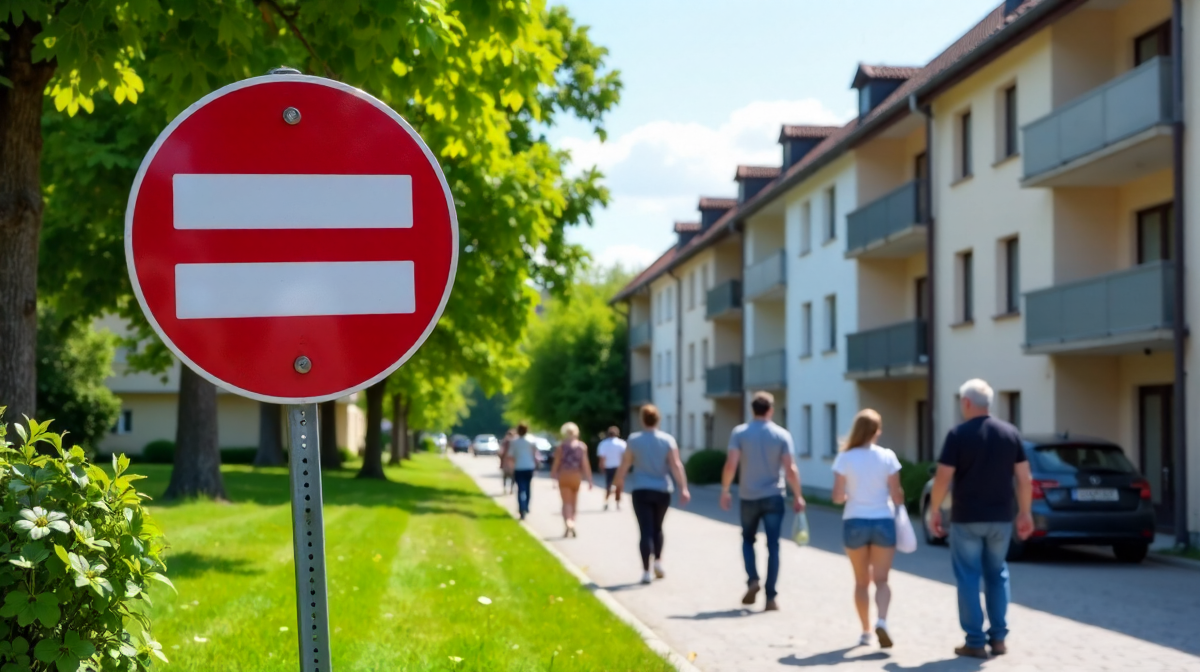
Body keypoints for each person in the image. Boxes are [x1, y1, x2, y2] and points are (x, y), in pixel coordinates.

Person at [929, 379, 1033, 659]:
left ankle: (975, 641)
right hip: (1001, 519)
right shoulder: (1010, 433)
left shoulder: (958, 435)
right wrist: (1025, 512)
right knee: (997, 574)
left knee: (968, 577)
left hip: (966, 520)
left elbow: (942, 478)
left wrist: (935, 509)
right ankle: (998, 639)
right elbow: (1024, 479)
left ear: (966, 403)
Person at [720, 391, 804, 612]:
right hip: (774, 497)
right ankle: (771, 597)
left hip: (748, 497)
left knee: (748, 540)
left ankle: (752, 580)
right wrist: (798, 495)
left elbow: (731, 464)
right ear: (771, 410)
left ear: (752, 409)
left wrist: (726, 490)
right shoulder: (782, 435)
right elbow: (790, 468)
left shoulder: (740, 433)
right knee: (773, 546)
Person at [831, 409, 905, 648]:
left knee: (861, 582)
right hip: (883, 520)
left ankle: (865, 632)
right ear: (877, 431)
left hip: (854, 521)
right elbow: (897, 494)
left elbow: (836, 496)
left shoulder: (845, 458)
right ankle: (882, 621)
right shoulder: (887, 457)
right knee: (882, 580)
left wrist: (851, 495)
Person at [615, 404, 690, 584]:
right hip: (662, 490)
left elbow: (625, 464)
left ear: (642, 419)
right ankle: (658, 561)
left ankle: (646, 571)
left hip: (641, 489)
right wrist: (684, 488)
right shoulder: (667, 440)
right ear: (658, 419)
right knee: (658, 527)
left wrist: (617, 483)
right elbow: (676, 465)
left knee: (645, 530)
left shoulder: (634, 440)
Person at [550, 421, 593, 537]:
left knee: (566, 502)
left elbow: (556, 463)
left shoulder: (561, 447)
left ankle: (568, 522)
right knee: (574, 502)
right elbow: (585, 464)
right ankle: (572, 521)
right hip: (576, 475)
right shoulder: (582, 446)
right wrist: (589, 479)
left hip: (564, 475)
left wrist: (553, 475)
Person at [508, 423, 539, 520]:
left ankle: (522, 507)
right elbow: (535, 454)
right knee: (528, 488)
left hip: (519, 467)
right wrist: (536, 464)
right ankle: (526, 506)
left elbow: (511, 456)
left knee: (520, 489)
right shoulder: (531, 441)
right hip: (529, 466)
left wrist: (510, 467)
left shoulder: (514, 442)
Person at [597, 426, 628, 511]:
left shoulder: (603, 444)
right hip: (619, 467)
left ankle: (606, 501)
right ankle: (617, 502)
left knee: (608, 484)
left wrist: (601, 466)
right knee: (619, 485)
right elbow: (625, 457)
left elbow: (602, 457)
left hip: (608, 466)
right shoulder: (621, 443)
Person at [499, 429, 517, 494]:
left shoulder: (505, 442)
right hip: (513, 462)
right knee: (512, 477)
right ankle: (511, 489)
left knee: (505, 476)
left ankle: (505, 489)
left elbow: (501, 452)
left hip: (506, 461)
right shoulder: (515, 442)